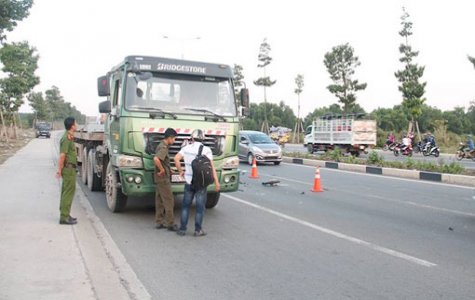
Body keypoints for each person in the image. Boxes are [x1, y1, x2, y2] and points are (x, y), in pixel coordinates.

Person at [174, 129, 220, 237]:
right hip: (201, 183)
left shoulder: (186, 148)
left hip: (189, 182)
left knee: (185, 206)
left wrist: (180, 171)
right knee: (200, 207)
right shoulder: (206, 150)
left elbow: (176, 159)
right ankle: (198, 230)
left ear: (192, 138)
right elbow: (211, 167)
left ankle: (182, 229)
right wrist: (217, 182)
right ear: (203, 138)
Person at [154, 128, 178, 231]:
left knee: (159, 200)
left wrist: (168, 168)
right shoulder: (164, 147)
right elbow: (156, 159)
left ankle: (159, 221)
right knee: (169, 200)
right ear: (169, 138)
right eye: (174, 139)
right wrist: (162, 170)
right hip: (163, 178)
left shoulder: (161, 145)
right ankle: (170, 224)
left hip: (159, 178)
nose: (174, 141)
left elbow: (162, 160)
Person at [56, 117, 78, 225]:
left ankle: (65, 214)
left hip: (70, 169)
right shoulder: (66, 138)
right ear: (72, 125)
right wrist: (59, 170)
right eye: (75, 123)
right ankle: (64, 217)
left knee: (67, 191)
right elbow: (62, 155)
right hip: (68, 169)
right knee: (68, 192)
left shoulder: (69, 137)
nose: (77, 124)